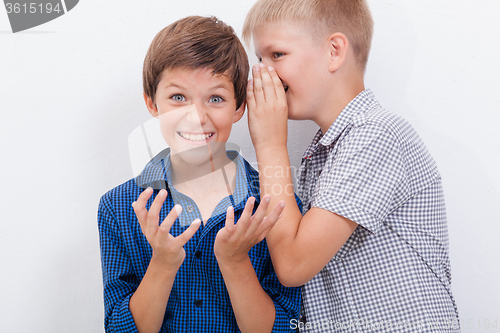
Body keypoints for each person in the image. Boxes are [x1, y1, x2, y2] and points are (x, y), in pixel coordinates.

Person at [242, 0, 460, 332]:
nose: (264, 72)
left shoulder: (375, 135)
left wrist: (271, 144)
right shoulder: (327, 149)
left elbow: (292, 264)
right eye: (260, 58)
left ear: (334, 51)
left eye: (277, 55)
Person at [97, 16, 301, 333]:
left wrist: (235, 261)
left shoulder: (275, 206)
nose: (197, 116)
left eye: (215, 98)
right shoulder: (118, 207)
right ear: (152, 103)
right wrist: (163, 262)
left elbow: (287, 327)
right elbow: (120, 329)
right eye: (178, 97)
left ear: (238, 108)